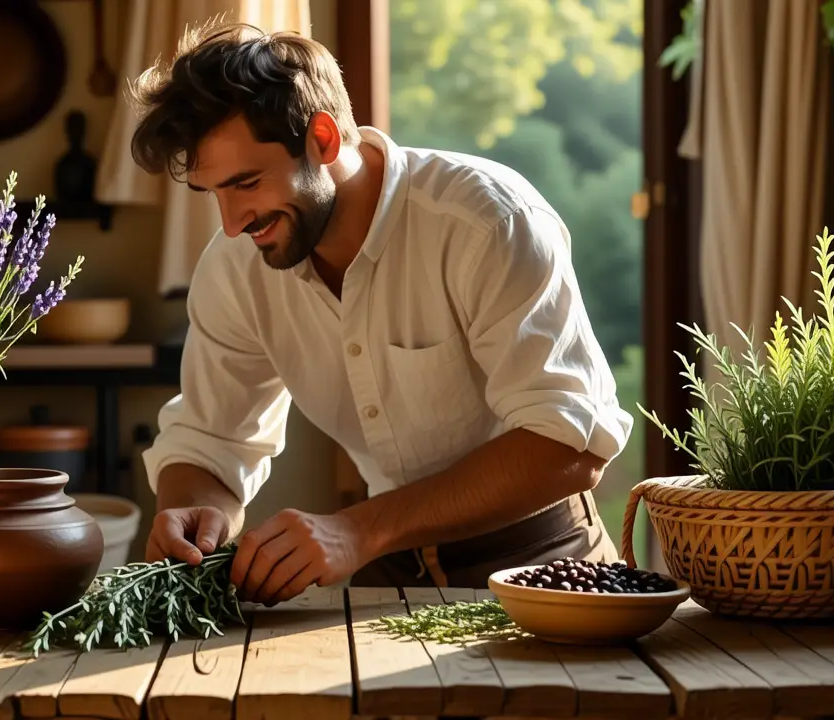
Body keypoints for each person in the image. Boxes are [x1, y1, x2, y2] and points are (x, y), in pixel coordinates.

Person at [130, 19, 633, 606]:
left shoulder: (489, 221)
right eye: (214, 193)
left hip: (545, 565)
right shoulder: (235, 267)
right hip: (388, 576)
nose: (232, 223)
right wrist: (195, 510)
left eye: (246, 183)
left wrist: (358, 529)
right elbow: (211, 439)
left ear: (322, 138)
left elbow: (568, 445)